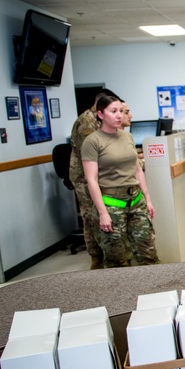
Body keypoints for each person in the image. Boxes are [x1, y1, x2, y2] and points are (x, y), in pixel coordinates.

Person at [81, 96, 159, 268]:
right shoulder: (92, 141)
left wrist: (148, 199)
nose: (119, 116)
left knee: (148, 254)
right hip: (112, 204)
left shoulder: (127, 136)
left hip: (136, 201)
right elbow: (91, 180)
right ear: (101, 114)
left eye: (121, 112)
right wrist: (102, 213)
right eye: (113, 111)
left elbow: (137, 169)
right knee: (117, 260)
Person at [70, 90, 117, 270]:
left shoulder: (97, 121)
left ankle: (105, 256)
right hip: (85, 179)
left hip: (97, 176)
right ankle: (97, 260)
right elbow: (93, 154)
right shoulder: (87, 123)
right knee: (92, 217)